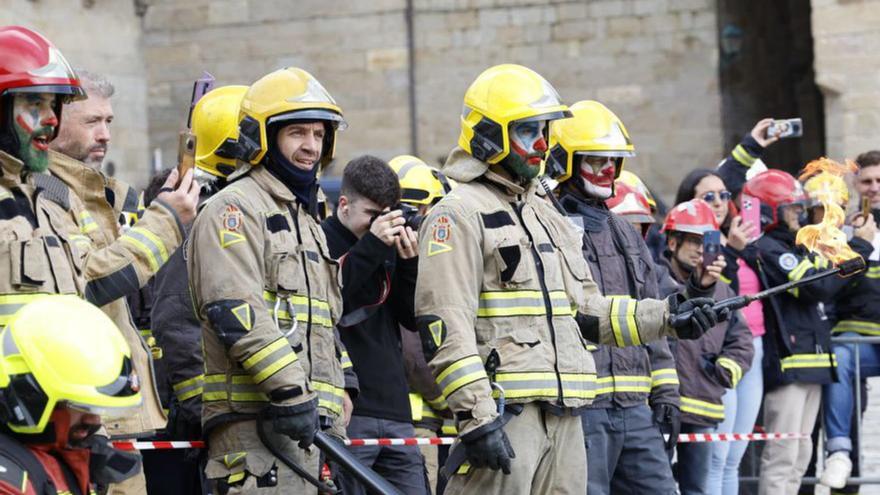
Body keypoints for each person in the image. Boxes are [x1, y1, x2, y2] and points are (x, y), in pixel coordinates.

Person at [414, 63, 725, 495]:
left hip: (567, 414)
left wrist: (669, 317)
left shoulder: (545, 213)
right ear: (489, 135)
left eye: (544, 131)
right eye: (527, 131)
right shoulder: (459, 213)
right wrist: (477, 415)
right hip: (507, 415)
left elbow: (587, 310)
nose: (542, 144)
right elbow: (444, 325)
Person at [187, 67, 349, 493]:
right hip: (257, 428)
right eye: (297, 133)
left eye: (318, 134)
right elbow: (235, 311)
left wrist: (341, 393)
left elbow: (322, 320)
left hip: (317, 429)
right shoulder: (233, 209)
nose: (310, 147)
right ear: (262, 137)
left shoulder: (309, 218)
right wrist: (292, 391)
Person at [46, 68, 198, 494]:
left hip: (111, 408)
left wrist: (164, 210)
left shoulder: (97, 192)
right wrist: (165, 221)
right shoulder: (47, 193)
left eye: (109, 122)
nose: (105, 134)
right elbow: (89, 281)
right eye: (92, 121)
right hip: (78, 409)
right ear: (54, 120)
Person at [545, 100, 680, 495]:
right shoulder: (547, 228)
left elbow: (648, 317)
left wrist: (666, 391)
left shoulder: (624, 232)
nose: (608, 169)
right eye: (595, 159)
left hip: (635, 406)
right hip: (579, 409)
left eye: (613, 160)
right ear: (564, 161)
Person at [738, 170, 872, 495]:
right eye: (792, 208)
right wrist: (860, 247)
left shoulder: (796, 245)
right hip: (790, 364)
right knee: (782, 458)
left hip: (812, 361)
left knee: (801, 455)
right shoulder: (768, 248)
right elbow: (816, 287)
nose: (799, 214)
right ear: (770, 211)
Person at [321, 155, 427, 494]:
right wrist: (372, 245)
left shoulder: (385, 245)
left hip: (395, 407)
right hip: (351, 409)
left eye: (385, 214)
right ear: (344, 205)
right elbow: (331, 299)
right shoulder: (320, 241)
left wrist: (409, 264)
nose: (378, 224)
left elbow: (409, 319)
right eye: (371, 214)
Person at [0, 295, 143, 495]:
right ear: (33, 396)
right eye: (82, 407)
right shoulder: (9, 483)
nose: (94, 420)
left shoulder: (63, 459)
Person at [658, 199, 754, 495]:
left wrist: (723, 371)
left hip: (701, 407)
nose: (701, 250)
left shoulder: (722, 290)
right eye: (693, 241)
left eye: (707, 242)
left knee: (697, 488)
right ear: (673, 243)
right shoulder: (653, 282)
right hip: (659, 409)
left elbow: (742, 341)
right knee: (654, 486)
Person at [389, 154, 452, 494]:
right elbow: (416, 354)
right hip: (420, 422)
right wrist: (453, 400)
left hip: (421, 419)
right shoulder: (413, 264)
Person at [817, 152, 880, 489]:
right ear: (856, 184)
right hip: (857, 339)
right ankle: (839, 452)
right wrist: (860, 247)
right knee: (839, 358)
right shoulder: (840, 231)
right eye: (867, 181)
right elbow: (829, 291)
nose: (873, 188)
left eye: (879, 181)